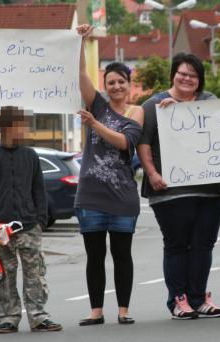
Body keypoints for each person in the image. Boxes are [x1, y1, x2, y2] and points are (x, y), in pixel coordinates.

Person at [137, 52, 220, 320]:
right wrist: (151, 173)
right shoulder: (154, 105)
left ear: (200, 80)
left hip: (209, 190)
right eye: (183, 73)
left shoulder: (210, 102)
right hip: (169, 191)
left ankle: (199, 298)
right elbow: (143, 142)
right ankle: (178, 299)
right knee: (177, 245)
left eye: (193, 75)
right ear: (173, 75)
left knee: (204, 244)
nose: (187, 78)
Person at [74, 24, 144, 326]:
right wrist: (80, 42)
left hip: (123, 197)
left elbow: (125, 142)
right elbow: (81, 78)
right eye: (111, 82)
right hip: (90, 195)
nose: (115, 86)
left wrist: (95, 126)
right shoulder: (97, 105)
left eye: (121, 82)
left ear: (129, 84)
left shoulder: (135, 112)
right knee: (94, 256)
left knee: (121, 254)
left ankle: (124, 310)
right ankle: (96, 311)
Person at [0, 106, 61, 334]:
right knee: (4, 274)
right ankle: (8, 318)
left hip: (29, 225)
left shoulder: (30, 156)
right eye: (17, 125)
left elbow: (38, 190)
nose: (22, 129)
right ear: (4, 128)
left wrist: (40, 221)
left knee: (35, 272)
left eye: (23, 125)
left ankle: (38, 316)